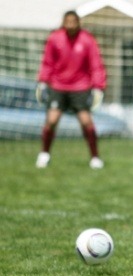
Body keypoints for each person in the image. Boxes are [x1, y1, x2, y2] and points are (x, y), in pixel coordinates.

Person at [35, 10, 106, 169]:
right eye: (68, 21)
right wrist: (42, 82)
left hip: (80, 87)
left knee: (86, 122)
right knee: (52, 120)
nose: (71, 25)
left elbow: (96, 65)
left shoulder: (87, 40)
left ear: (78, 22)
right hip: (58, 86)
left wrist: (98, 87)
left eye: (74, 21)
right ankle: (44, 154)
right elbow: (47, 62)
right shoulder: (55, 38)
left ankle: (95, 157)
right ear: (64, 22)